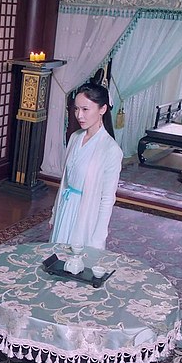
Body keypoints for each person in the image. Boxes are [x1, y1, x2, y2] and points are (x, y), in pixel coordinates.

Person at [50, 82, 123, 250]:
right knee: (56, 256)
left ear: (102, 109)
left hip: (86, 213)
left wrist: (98, 237)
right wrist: (55, 213)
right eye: (76, 109)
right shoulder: (75, 137)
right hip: (65, 207)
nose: (79, 115)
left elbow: (107, 199)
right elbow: (65, 182)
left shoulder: (111, 150)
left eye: (85, 109)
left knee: (78, 259)